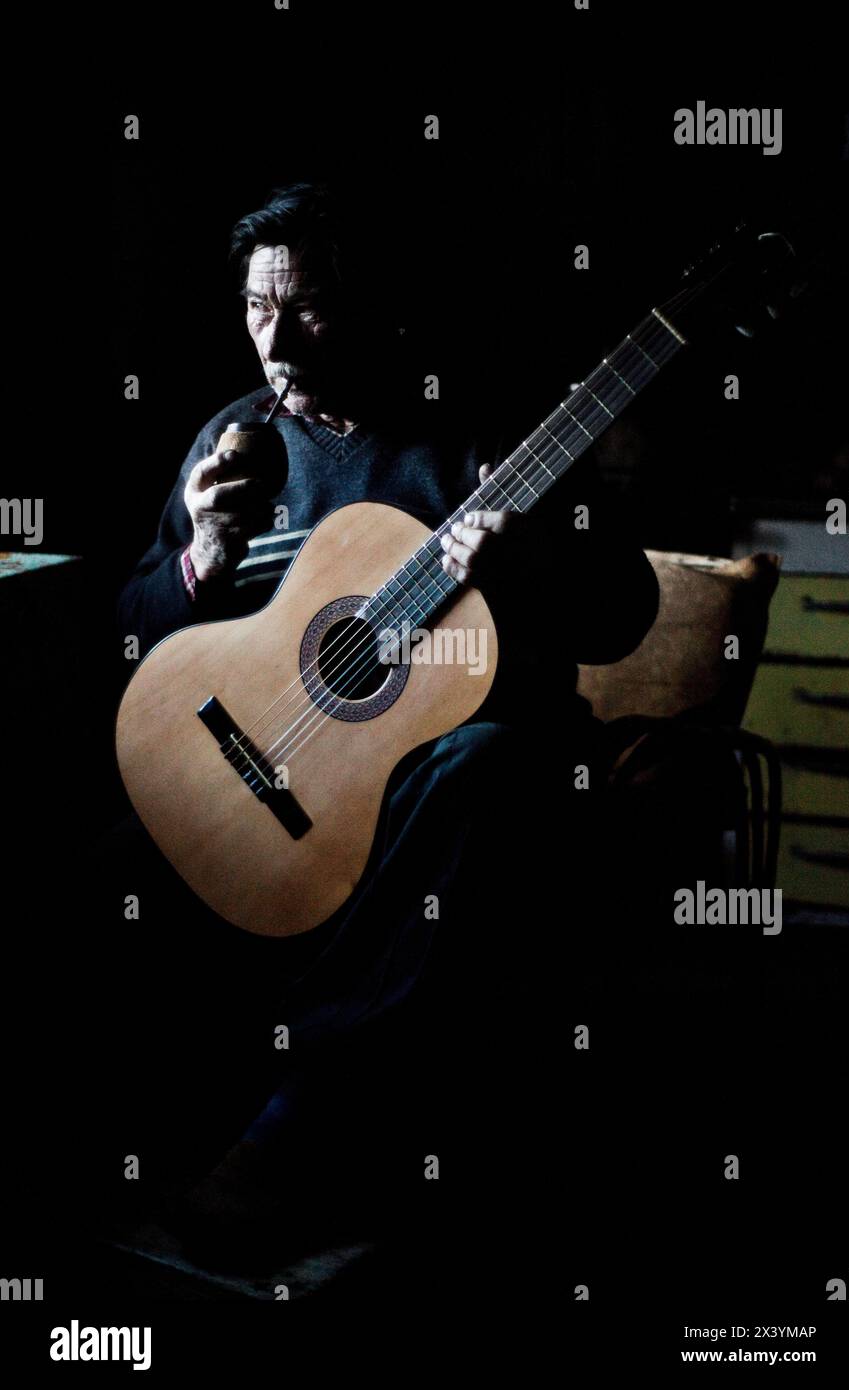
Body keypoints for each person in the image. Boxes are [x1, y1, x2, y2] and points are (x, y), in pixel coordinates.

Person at [109, 181, 659, 1258]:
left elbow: (623, 611)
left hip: (430, 785)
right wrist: (198, 560)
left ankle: (304, 1117)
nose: (277, 339)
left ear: (374, 308)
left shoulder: (490, 440)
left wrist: (535, 560)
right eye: (258, 308)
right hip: (275, 780)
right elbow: (134, 634)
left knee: (488, 763)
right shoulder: (226, 440)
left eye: (306, 307)